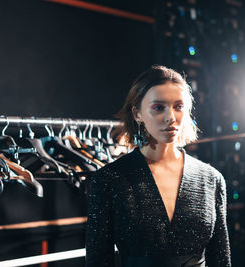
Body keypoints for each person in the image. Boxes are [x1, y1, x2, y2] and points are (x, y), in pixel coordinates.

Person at [85, 65, 231, 267]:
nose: (171, 117)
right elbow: (98, 262)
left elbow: (221, 260)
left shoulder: (211, 179)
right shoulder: (110, 179)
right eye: (158, 107)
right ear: (137, 114)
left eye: (178, 106)